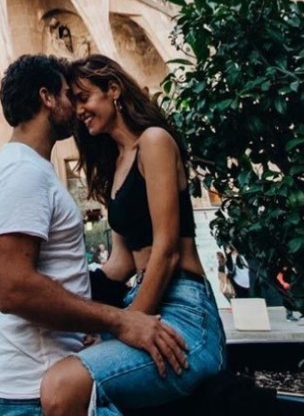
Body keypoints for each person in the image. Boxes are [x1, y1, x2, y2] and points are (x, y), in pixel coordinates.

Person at [0, 54, 188, 416]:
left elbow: (105, 269)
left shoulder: (29, 170)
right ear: (47, 98)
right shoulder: (21, 172)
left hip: (54, 382)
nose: (76, 108)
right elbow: (13, 288)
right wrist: (119, 321)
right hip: (40, 389)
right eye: (68, 95)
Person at [39, 54, 227, 415]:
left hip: (184, 311)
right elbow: (120, 263)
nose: (79, 109)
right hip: (141, 304)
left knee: (62, 389)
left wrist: (127, 323)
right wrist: (58, 289)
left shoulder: (153, 142)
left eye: (84, 97)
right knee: (59, 376)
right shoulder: (116, 165)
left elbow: (167, 249)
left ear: (113, 90)